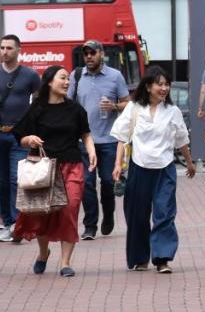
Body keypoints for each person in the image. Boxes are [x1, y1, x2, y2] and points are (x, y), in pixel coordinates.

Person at [11, 65, 95, 278]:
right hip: (44, 168)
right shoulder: (36, 108)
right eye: (62, 78)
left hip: (72, 166)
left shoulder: (75, 109)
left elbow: (85, 134)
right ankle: (43, 253)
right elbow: (20, 136)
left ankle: (65, 262)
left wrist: (92, 152)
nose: (67, 82)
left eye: (68, 79)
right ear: (49, 82)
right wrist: (29, 139)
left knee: (71, 209)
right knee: (43, 213)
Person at [111, 65, 194, 273]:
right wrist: (117, 165)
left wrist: (190, 163)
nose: (164, 88)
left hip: (165, 169)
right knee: (137, 215)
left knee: (164, 213)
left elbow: (181, 139)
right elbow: (122, 137)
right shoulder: (134, 108)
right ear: (148, 86)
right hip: (139, 167)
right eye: (160, 84)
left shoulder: (173, 111)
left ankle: (162, 258)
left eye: (167, 84)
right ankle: (140, 257)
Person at [0, 35, 43, 243]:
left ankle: (16, 222)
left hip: (19, 137)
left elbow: (39, 105)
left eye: (9, 48)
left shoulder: (30, 75)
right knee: (2, 181)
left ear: (18, 50)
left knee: (17, 179)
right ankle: (5, 222)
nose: (4, 51)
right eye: (2, 47)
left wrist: (32, 130)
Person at [68, 39, 130, 241]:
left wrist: (113, 106)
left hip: (110, 141)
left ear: (101, 54)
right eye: (85, 53)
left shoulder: (115, 76)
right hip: (84, 141)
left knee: (107, 183)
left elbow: (127, 105)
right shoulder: (76, 76)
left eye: (92, 53)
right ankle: (90, 225)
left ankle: (109, 214)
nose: (88, 57)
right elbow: (67, 105)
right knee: (86, 183)